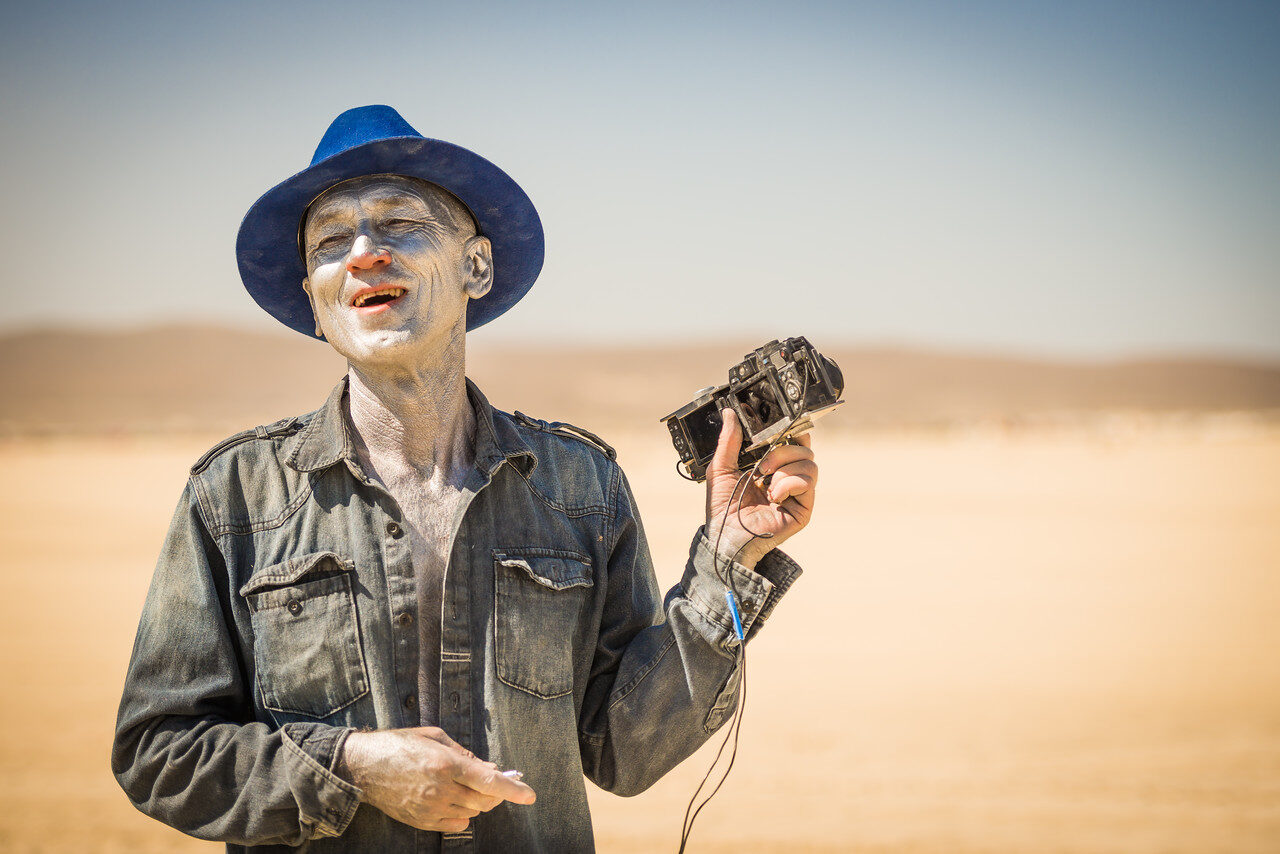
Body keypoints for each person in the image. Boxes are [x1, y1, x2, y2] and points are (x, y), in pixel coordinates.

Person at [112, 105, 819, 853]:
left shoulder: (581, 486)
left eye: (397, 224)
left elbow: (625, 752)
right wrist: (351, 766)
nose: (363, 254)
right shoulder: (234, 500)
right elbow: (160, 754)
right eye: (330, 241)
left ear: (474, 266)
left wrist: (726, 561)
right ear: (316, 302)